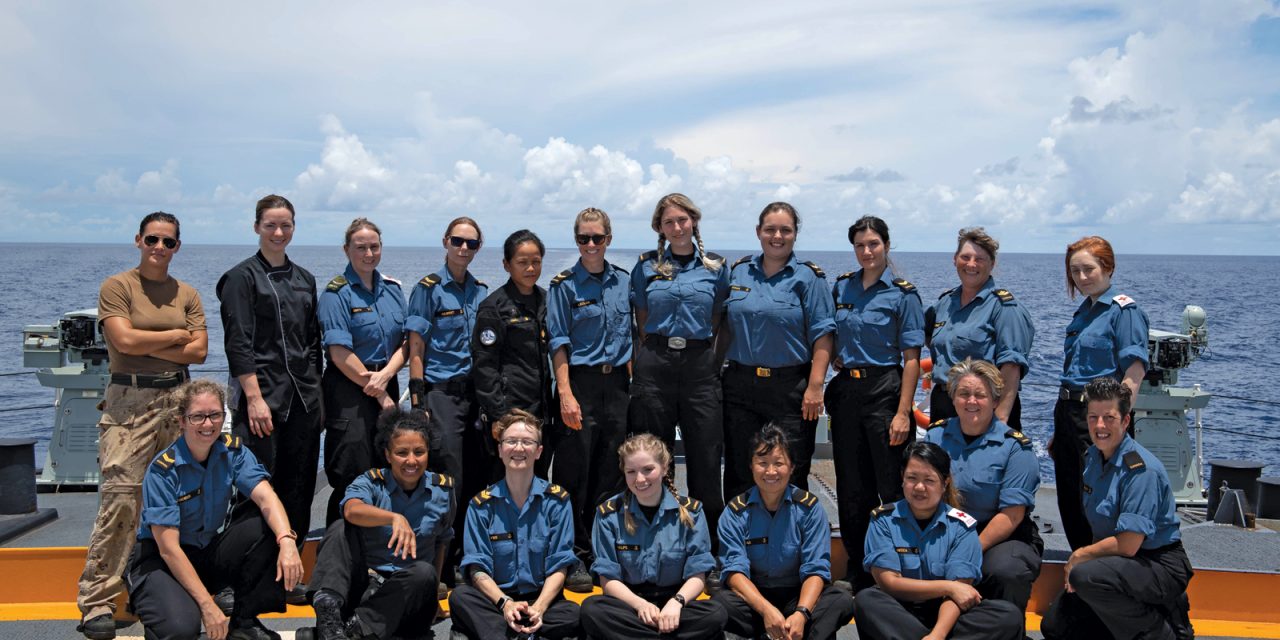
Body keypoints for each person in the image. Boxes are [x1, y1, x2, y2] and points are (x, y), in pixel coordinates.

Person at [77, 211, 209, 640]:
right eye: (152, 239)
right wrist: (175, 337)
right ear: (138, 240)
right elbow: (124, 341)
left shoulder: (186, 293)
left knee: (183, 497)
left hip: (177, 401)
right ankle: (99, 600)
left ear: (177, 247)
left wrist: (153, 343)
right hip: (128, 402)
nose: (159, 247)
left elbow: (201, 352)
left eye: (168, 242)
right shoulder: (118, 287)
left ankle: (171, 590)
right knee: (122, 498)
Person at [125, 380, 302, 640]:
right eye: (197, 417)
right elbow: (168, 549)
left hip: (203, 552)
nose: (208, 425)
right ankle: (161, 610)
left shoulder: (232, 451)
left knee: (267, 525)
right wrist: (208, 607)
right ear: (182, 421)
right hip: (160, 562)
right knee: (181, 628)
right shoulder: (163, 471)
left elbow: (266, 497)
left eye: (215, 415)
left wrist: (287, 542)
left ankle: (244, 622)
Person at [1041, 377, 1194, 640]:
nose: (1100, 426)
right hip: (1123, 565)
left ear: (1125, 421)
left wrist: (1081, 556)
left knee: (1086, 576)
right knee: (1056, 627)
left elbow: (1128, 544)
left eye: (1109, 418)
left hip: (1157, 563)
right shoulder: (1092, 459)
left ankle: (1161, 633)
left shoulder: (1139, 470)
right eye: (1093, 417)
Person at [216, 194, 323, 546]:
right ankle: (243, 574)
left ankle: (288, 566)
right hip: (262, 399)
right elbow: (238, 344)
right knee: (254, 485)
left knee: (299, 486)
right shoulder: (240, 278)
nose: (279, 232)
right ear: (256, 227)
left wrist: (316, 397)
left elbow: (312, 343)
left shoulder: (305, 279)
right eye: (271, 225)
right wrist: (254, 399)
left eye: (286, 225)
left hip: (302, 400)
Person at [826, 215, 924, 590]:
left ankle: (901, 565)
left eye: (874, 244)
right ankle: (859, 567)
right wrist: (838, 353)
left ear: (886, 244)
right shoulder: (842, 290)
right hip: (848, 392)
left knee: (892, 486)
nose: (867, 251)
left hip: (885, 391)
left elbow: (912, 358)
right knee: (852, 488)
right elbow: (834, 334)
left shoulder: (903, 295)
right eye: (859, 245)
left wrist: (903, 412)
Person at [628, 193, 729, 547]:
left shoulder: (716, 267)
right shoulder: (645, 267)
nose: (677, 227)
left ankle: (708, 545)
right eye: (669, 222)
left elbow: (718, 318)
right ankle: (655, 538)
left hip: (700, 367)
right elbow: (641, 318)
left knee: (705, 455)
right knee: (654, 455)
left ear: (694, 221)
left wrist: (704, 358)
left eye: (683, 220)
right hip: (655, 363)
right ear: (660, 227)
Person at [851, 442, 1024, 640]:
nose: (919, 487)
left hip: (948, 610)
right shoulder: (883, 521)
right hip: (901, 608)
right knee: (866, 600)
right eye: (911, 478)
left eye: (929, 480)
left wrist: (937, 635)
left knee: (1008, 616)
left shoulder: (962, 527)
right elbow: (889, 583)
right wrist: (948, 587)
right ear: (902, 479)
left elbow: (960, 591)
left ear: (945, 483)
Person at [721, 202, 834, 500]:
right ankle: (738, 542)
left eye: (786, 230)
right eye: (770, 229)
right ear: (758, 232)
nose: (777, 236)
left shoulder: (809, 279)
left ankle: (791, 542)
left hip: (790, 389)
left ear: (795, 234)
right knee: (739, 469)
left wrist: (815, 387)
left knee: (791, 469)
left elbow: (823, 335)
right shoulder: (739, 272)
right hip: (739, 386)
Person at [309, 408, 454, 640]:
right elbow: (351, 509)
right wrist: (393, 517)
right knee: (339, 529)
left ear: (428, 453)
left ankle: (347, 632)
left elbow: (441, 544)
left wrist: (434, 594)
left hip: (410, 596)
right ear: (387, 455)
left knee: (424, 573)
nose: (411, 460)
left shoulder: (443, 491)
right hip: (367, 587)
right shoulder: (371, 481)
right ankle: (329, 612)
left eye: (419, 452)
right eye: (401, 452)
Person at [547, 207, 633, 591]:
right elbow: (558, 343)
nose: (591, 245)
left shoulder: (624, 283)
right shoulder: (563, 286)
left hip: (615, 387)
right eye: (583, 238)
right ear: (576, 240)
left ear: (609, 240)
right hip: (578, 386)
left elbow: (634, 335)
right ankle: (572, 555)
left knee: (610, 473)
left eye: (598, 238)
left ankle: (601, 552)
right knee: (572, 475)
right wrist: (565, 395)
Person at [447, 410, 581, 639]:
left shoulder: (557, 502)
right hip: (497, 600)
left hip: (543, 599)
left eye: (527, 442)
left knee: (577, 613)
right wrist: (506, 604)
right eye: (511, 441)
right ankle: (526, 634)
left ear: (539, 451)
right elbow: (477, 567)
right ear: (500, 450)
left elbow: (560, 563)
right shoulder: (481, 505)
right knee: (460, 598)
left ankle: (509, 633)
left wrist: (539, 608)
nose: (518, 448)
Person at [1053, 236, 1150, 551]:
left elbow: (1134, 373)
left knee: (1100, 498)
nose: (1081, 278)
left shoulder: (1124, 312)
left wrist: (1115, 423)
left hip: (1099, 417)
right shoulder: (1084, 313)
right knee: (1070, 496)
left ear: (1108, 268)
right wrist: (1061, 429)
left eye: (1088, 269)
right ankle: (1079, 562)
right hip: (1069, 414)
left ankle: (1101, 573)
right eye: (1075, 271)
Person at [580, 434, 728, 640]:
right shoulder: (608, 514)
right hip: (630, 603)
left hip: (675, 602)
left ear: (665, 467)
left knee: (716, 613)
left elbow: (698, 575)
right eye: (631, 471)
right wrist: (640, 605)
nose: (639, 479)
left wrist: (676, 603)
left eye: (648, 469)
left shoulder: (691, 512)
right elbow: (608, 579)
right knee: (592, 610)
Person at [923, 359, 1041, 613]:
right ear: (953, 398)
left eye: (980, 395)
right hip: (945, 531)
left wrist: (967, 549)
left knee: (1005, 571)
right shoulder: (935, 437)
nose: (971, 401)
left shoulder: (1015, 448)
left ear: (995, 401)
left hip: (999, 537)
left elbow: (1012, 515)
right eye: (964, 394)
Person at [715, 425, 854, 640]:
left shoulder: (809, 509)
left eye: (778, 463)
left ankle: (788, 631)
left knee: (840, 600)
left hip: (798, 594)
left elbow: (816, 569)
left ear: (791, 467)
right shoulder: (735, 513)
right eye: (762, 463)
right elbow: (735, 572)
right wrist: (766, 611)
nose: (771, 472)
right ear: (751, 467)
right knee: (720, 604)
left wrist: (802, 613)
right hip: (756, 598)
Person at [405, 216, 487, 571]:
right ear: (445, 242)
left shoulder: (481, 291)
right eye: (458, 241)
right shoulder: (428, 289)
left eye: (471, 243)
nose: (464, 248)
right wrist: (418, 399)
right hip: (441, 395)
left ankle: (472, 555)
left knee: (479, 473)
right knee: (449, 477)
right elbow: (416, 346)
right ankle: (442, 560)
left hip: (476, 395)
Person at [318, 218, 408, 525]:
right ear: (346, 250)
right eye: (360, 247)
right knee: (351, 476)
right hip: (350, 391)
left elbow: (407, 343)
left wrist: (386, 377)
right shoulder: (336, 293)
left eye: (374, 246)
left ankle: (376, 559)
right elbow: (339, 353)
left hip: (387, 381)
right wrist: (379, 390)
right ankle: (336, 559)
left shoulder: (393, 290)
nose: (368, 253)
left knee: (386, 472)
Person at [925, 227, 1034, 429]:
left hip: (983, 408)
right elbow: (926, 335)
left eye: (980, 259)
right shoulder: (943, 304)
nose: (971, 264)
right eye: (965, 257)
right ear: (955, 259)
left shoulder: (1005, 308)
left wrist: (1000, 420)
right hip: (943, 404)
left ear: (992, 264)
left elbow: (1011, 367)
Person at [472, 229, 555, 477]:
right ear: (507, 265)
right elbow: (484, 366)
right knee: (507, 477)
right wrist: (498, 415)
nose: (530, 268)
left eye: (536, 262)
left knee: (539, 475)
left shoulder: (547, 301)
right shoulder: (494, 308)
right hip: (510, 410)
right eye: (522, 262)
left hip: (542, 410)